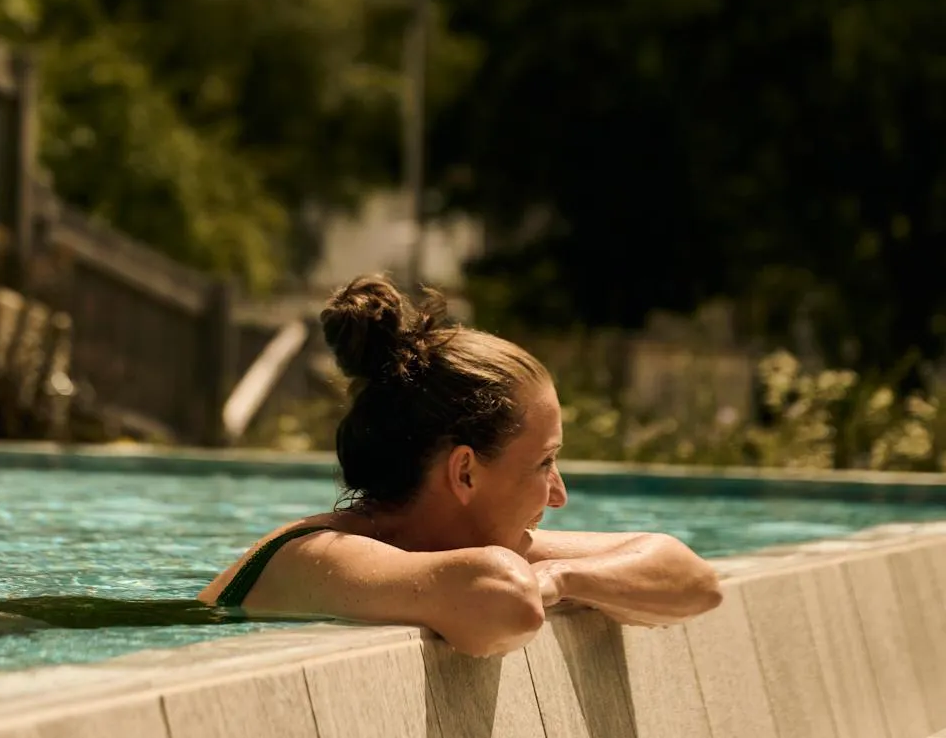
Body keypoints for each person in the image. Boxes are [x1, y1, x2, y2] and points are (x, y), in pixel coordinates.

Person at [199, 275, 722, 655]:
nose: (559, 495)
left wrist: (563, 576)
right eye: (544, 464)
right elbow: (505, 605)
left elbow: (693, 579)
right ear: (465, 473)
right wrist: (545, 580)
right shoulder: (320, 556)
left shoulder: (453, 541)